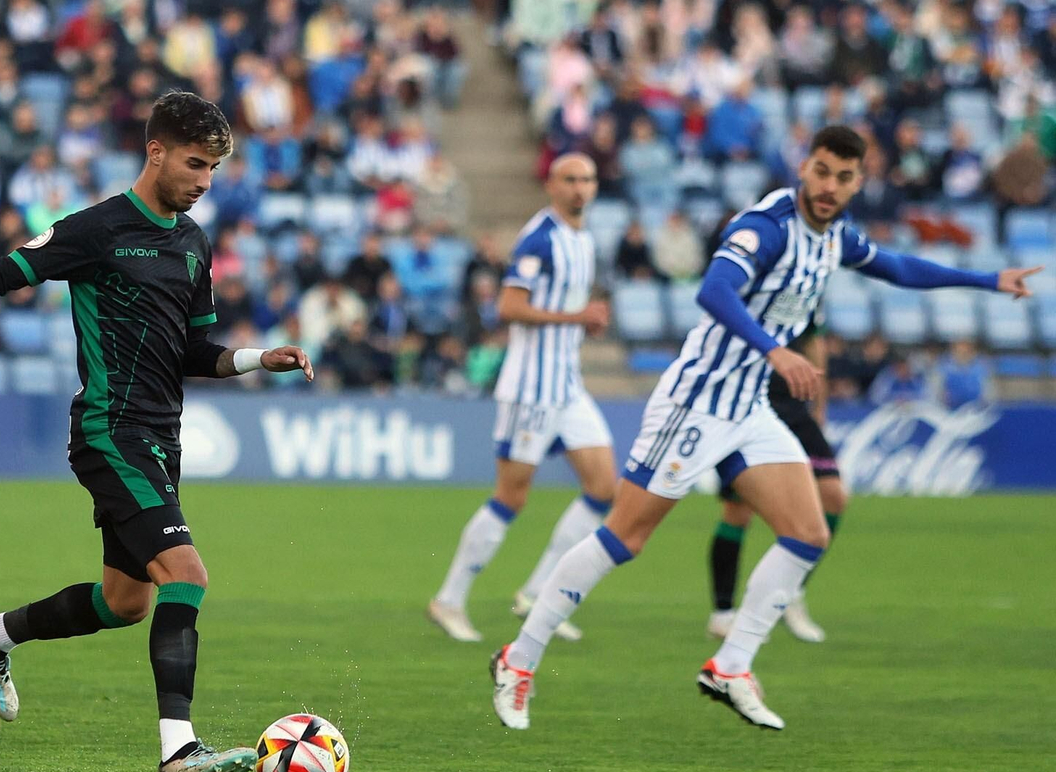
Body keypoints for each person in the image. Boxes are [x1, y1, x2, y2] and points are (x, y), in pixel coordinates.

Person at [487, 126, 1042, 731]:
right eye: (822, 172)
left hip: (750, 407)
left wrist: (988, 280)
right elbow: (715, 290)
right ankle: (518, 660)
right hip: (697, 402)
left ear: (859, 182)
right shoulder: (768, 226)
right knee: (624, 539)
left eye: (844, 177)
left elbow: (898, 267)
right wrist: (775, 352)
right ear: (806, 168)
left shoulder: (834, 239)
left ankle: (731, 665)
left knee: (808, 532)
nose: (829, 187)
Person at [0, 92, 314, 772]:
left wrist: (260, 359)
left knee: (125, 601)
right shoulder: (99, 229)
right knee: (187, 575)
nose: (203, 180)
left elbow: (194, 348)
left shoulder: (193, 244)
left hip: (162, 440)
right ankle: (178, 753)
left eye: (215, 169)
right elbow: (3, 272)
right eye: (194, 163)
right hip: (110, 431)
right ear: (155, 150)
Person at [428, 154, 614, 644]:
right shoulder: (541, 238)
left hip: (567, 385)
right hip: (531, 387)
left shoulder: (583, 238)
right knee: (512, 496)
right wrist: (578, 318)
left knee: (604, 489)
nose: (580, 187)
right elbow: (509, 306)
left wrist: (583, 323)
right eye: (570, 179)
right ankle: (449, 599)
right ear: (552, 185)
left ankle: (536, 591)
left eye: (587, 179)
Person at [706, 321, 845, 644]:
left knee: (833, 496)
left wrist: (820, 403)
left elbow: (814, 342)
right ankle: (723, 613)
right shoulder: (747, 276)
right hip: (749, 402)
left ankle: (790, 592)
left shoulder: (810, 278)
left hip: (794, 404)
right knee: (738, 511)